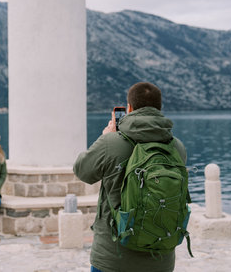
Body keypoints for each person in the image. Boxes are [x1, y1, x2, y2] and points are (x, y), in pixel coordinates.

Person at [74, 82, 187, 272]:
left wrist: (106, 136)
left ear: (129, 109)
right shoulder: (177, 147)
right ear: (159, 108)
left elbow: (82, 171)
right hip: (160, 259)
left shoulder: (111, 142)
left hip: (113, 258)